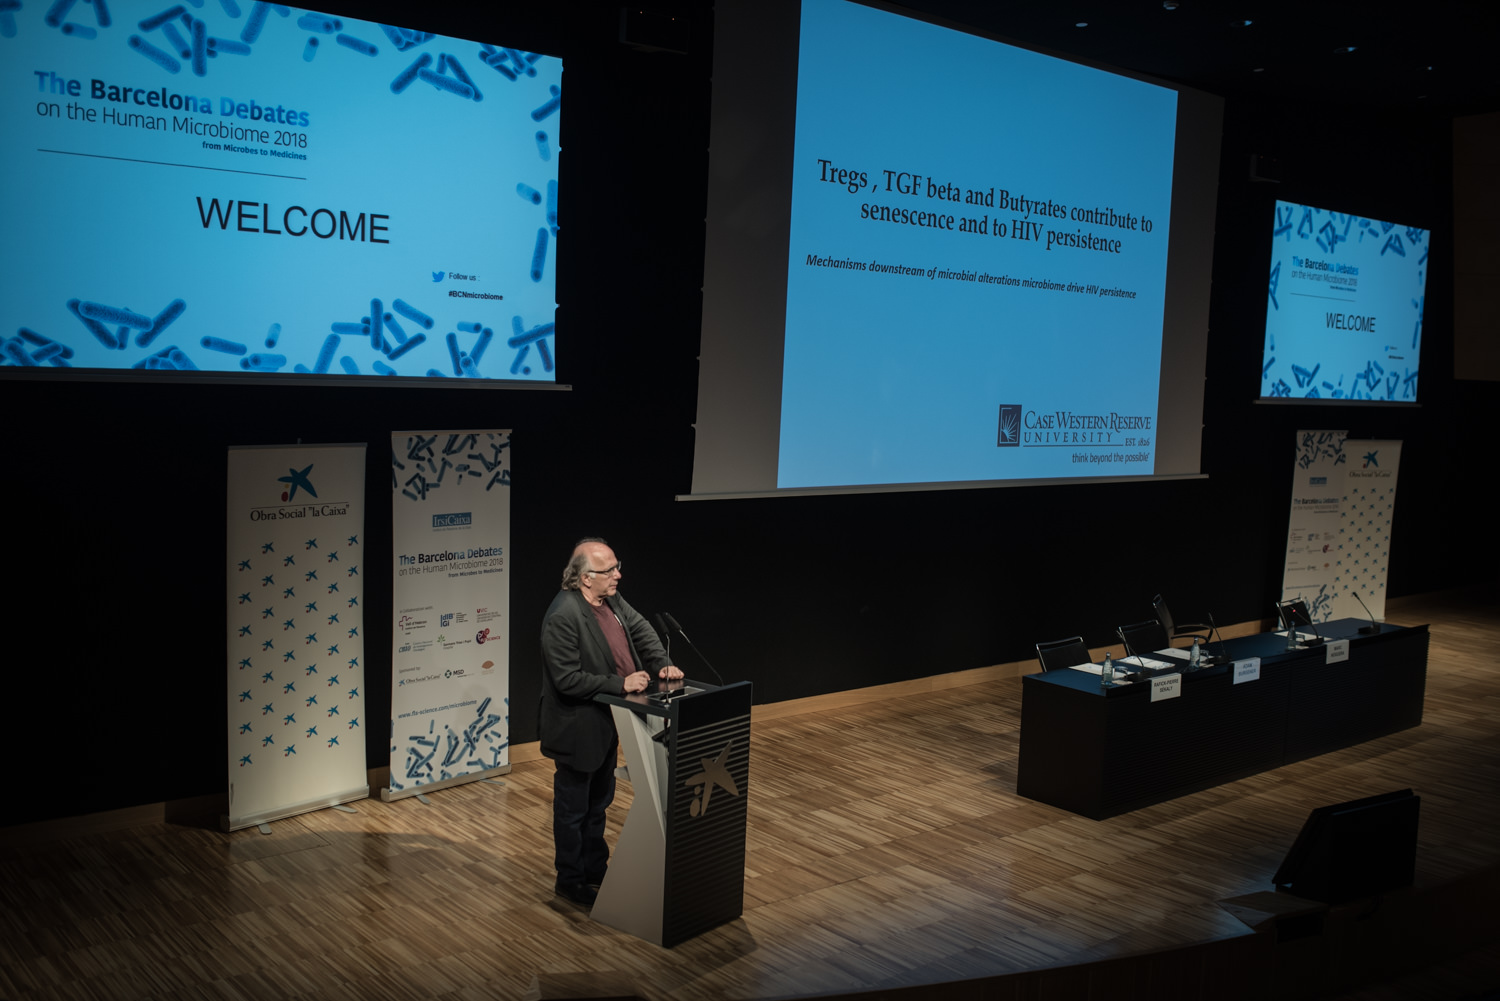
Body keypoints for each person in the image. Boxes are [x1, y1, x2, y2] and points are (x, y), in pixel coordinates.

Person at [538, 537, 683, 907]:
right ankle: (569, 880)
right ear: (586, 578)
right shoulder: (562, 616)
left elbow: (640, 629)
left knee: (599, 803)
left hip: (606, 723)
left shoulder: (612, 600)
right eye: (609, 570)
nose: (618, 575)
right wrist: (621, 683)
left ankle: (595, 869)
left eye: (617, 567)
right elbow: (567, 679)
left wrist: (659, 663)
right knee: (573, 810)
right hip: (576, 728)